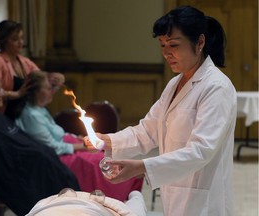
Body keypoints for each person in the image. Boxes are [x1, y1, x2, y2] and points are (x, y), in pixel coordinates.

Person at [84, 5, 237, 216]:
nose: (166, 53)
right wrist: (107, 141)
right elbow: (148, 130)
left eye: (173, 45)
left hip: (205, 197)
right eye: (162, 44)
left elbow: (201, 150)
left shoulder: (216, 87)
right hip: (175, 188)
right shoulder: (175, 84)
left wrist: (142, 166)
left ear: (200, 42)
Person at [15, 70, 144, 201]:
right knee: (98, 163)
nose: (52, 91)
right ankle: (116, 195)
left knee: (108, 156)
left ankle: (131, 190)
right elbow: (53, 147)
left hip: (68, 145)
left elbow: (58, 134)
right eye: (48, 88)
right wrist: (82, 145)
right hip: (58, 157)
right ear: (36, 91)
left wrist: (77, 138)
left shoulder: (39, 109)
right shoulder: (31, 115)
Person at [0, 76, 80, 216]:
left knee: (54, 166)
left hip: (35, 157)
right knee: (46, 168)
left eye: (0, 90)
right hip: (17, 167)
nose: (1, 95)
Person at [0, 20, 65, 120]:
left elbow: (42, 79)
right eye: (15, 39)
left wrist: (55, 79)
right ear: (3, 41)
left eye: (21, 38)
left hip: (24, 116)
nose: (21, 43)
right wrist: (16, 94)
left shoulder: (24, 62)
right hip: (2, 117)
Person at [26, 189, 147, 216]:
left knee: (135, 201)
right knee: (136, 200)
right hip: (90, 205)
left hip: (54, 204)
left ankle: (134, 194)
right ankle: (134, 193)